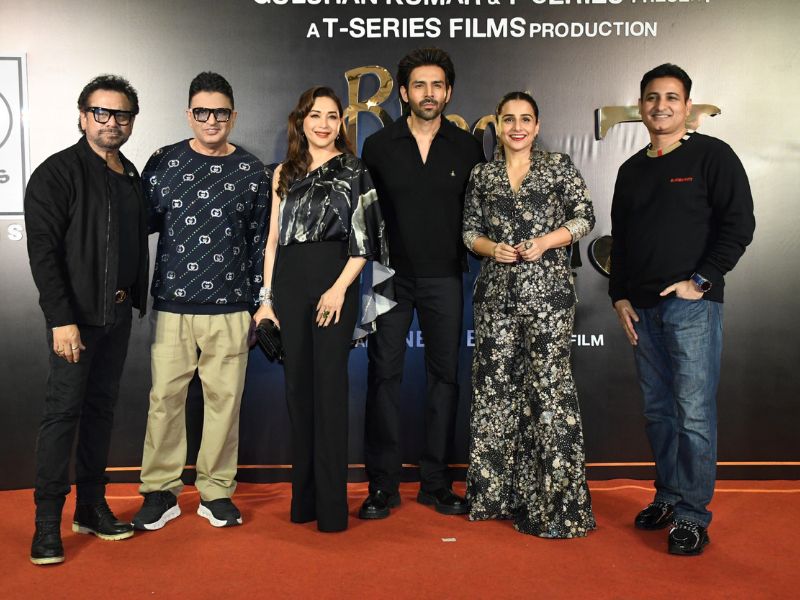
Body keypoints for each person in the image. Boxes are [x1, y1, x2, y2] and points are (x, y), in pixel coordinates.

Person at [610, 64, 755, 555]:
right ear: (641, 106)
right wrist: (619, 295)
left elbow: (739, 224)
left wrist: (701, 281)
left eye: (672, 97)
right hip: (642, 309)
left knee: (693, 415)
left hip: (692, 308)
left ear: (687, 106)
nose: (661, 106)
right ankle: (669, 497)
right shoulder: (631, 170)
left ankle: (693, 515)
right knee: (659, 413)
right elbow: (621, 241)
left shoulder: (713, 155)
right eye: (652, 97)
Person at [131, 72, 270, 531]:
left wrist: (260, 305)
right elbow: (138, 227)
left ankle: (216, 492)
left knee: (225, 404)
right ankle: (160, 491)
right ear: (189, 114)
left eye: (221, 112)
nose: (212, 120)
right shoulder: (164, 162)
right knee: (164, 401)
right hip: (173, 305)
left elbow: (260, 246)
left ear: (234, 116)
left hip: (231, 308)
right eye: (202, 112)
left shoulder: (252, 171)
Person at [253, 86, 392, 532]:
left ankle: (332, 508)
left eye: (332, 116)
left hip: (335, 283)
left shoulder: (355, 170)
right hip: (289, 286)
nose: (324, 124)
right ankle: (305, 502)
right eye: (315, 115)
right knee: (298, 392)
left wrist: (338, 290)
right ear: (301, 120)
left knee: (329, 393)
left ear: (340, 123)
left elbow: (365, 243)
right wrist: (266, 301)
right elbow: (272, 242)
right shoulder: (283, 173)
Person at [24, 75, 148, 565]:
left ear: (132, 120)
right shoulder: (56, 173)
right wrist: (61, 319)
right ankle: (46, 526)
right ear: (82, 116)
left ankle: (91, 508)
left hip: (116, 313)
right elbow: (43, 254)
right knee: (62, 415)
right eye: (102, 112)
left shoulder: (130, 173)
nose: (112, 122)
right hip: (75, 319)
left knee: (101, 412)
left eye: (122, 114)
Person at [462, 91, 596, 538]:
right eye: (508, 119)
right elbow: (469, 232)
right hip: (495, 298)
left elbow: (585, 217)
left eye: (525, 119)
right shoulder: (482, 175)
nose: (516, 127)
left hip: (549, 297)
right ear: (497, 126)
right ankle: (495, 497)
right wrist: (490, 248)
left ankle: (558, 506)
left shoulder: (558, 166)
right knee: (494, 392)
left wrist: (546, 241)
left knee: (549, 392)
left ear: (537, 126)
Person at [359, 47, 484, 520]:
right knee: (383, 376)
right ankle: (382, 485)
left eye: (437, 85)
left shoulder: (467, 148)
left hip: (445, 276)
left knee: (445, 379)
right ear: (404, 93)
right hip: (386, 276)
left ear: (448, 92)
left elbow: (478, 217)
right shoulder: (378, 146)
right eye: (419, 85)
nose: (428, 93)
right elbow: (365, 218)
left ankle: (436, 483)